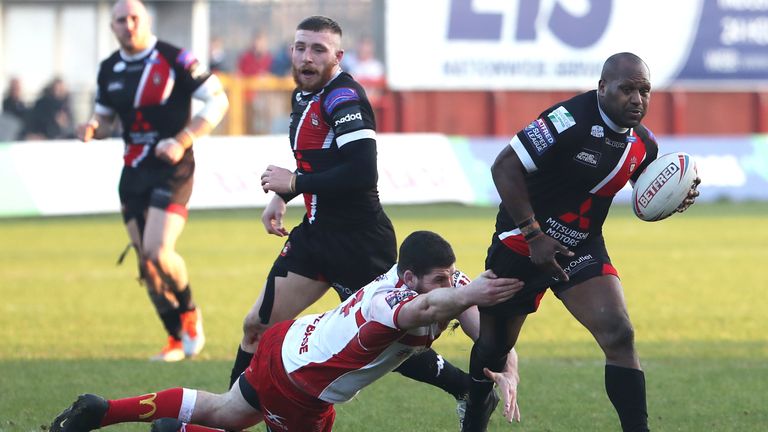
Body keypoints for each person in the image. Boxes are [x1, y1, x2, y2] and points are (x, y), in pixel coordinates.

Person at [231, 15, 486, 427]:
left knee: (388, 341)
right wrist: (283, 195)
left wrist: (294, 180)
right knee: (256, 327)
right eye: (300, 47)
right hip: (315, 237)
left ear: (337, 57)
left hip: (358, 241)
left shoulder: (343, 99)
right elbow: (317, 160)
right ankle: (228, 417)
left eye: (318, 50)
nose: (307, 57)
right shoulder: (303, 96)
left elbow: (362, 171)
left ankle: (469, 389)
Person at [51, 231, 524, 432]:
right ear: (407, 279)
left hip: (291, 345)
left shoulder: (444, 282)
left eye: (451, 275)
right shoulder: (389, 304)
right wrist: (469, 294)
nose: (449, 284)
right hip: (301, 383)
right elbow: (437, 305)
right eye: (439, 279)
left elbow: (492, 334)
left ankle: (102, 411)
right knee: (231, 417)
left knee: (226, 413)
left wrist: (507, 365)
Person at [461, 52, 701, 432]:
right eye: (627, 89)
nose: (637, 100)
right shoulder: (567, 120)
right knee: (493, 349)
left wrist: (674, 196)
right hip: (521, 246)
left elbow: (645, 187)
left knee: (619, 334)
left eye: (644, 90)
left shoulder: (643, 144)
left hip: (581, 247)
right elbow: (504, 166)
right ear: (602, 87)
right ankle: (473, 414)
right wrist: (533, 233)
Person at [76, 0, 229, 361]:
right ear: (112, 27)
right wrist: (93, 128)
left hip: (173, 168)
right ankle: (175, 338)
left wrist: (181, 140)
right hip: (133, 170)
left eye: (134, 18)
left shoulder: (175, 58)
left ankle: (190, 313)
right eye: (120, 20)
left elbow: (217, 100)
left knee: (159, 252)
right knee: (146, 264)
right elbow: (106, 117)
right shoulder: (109, 69)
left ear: (146, 21)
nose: (128, 25)